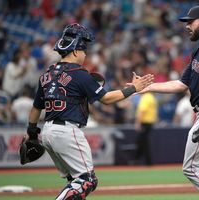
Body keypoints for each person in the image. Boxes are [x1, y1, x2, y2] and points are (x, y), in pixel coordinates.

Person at [26, 23, 153, 200]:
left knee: (74, 181)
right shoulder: (79, 73)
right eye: (84, 51)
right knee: (87, 180)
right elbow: (107, 99)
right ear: (76, 51)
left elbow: (36, 108)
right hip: (67, 132)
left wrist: (32, 133)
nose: (85, 55)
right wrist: (134, 88)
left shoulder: (47, 74)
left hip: (47, 131)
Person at [138, 5, 199, 200]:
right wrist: (147, 88)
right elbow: (181, 84)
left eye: (190, 22)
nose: (187, 26)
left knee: (191, 167)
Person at [134, 91, 158, 165]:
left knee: (143, 142)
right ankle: (141, 160)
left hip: (145, 123)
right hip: (150, 123)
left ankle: (145, 161)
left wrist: (137, 123)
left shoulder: (145, 97)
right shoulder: (152, 97)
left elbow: (142, 111)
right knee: (143, 142)